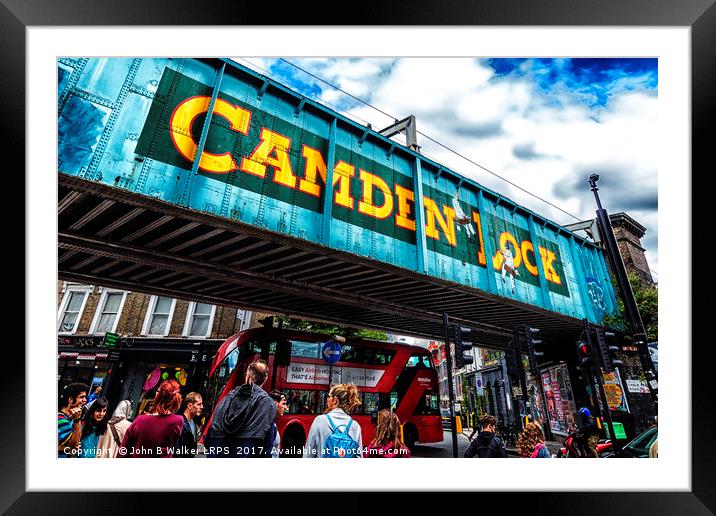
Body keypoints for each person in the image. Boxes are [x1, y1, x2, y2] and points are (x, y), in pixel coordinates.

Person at [205, 360, 277, 458]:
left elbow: (208, 439)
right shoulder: (267, 404)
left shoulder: (227, 398)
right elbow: (267, 448)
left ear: (247, 376)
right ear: (266, 378)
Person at [118, 380, 183, 457]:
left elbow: (123, 449)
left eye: (158, 391)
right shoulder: (178, 421)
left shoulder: (140, 420)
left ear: (158, 396)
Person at [304, 383, 363, 458]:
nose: (327, 399)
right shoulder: (355, 426)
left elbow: (309, 453)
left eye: (329, 396)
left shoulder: (320, 420)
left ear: (335, 401)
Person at [58, 382, 89, 458]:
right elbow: (74, 444)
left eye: (85, 397)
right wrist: (77, 420)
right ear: (70, 399)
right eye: (82, 397)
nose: (85, 400)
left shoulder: (71, 418)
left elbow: (75, 444)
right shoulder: (60, 419)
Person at [174, 392, 203, 458]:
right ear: (189, 406)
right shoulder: (180, 422)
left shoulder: (195, 425)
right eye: (199, 404)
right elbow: (176, 449)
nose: (202, 407)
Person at [268, 391, 288, 458]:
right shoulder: (268, 426)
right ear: (276, 404)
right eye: (283, 404)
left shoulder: (272, 423)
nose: (285, 407)